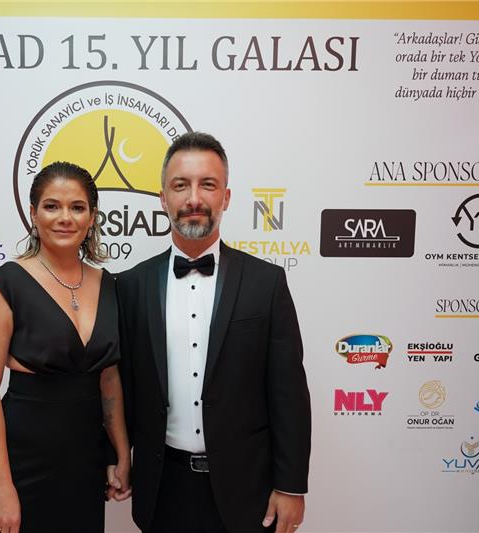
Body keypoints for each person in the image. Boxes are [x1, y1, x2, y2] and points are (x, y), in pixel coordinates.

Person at [116, 132, 311, 533]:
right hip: (161, 489)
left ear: (226, 197)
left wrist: (291, 485)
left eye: (207, 184)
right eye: (180, 185)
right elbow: (120, 387)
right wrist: (114, 457)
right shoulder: (130, 286)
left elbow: (289, 393)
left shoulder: (266, 283)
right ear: (163, 198)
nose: (194, 198)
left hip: (248, 491)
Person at [0, 161, 131, 533]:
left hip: (85, 462)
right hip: (23, 464)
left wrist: (120, 452)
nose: (64, 218)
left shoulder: (108, 285)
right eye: (51, 206)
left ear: (92, 217)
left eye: (77, 207)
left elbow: (109, 379)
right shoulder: (5, 284)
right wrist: (0, 485)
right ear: (33, 213)